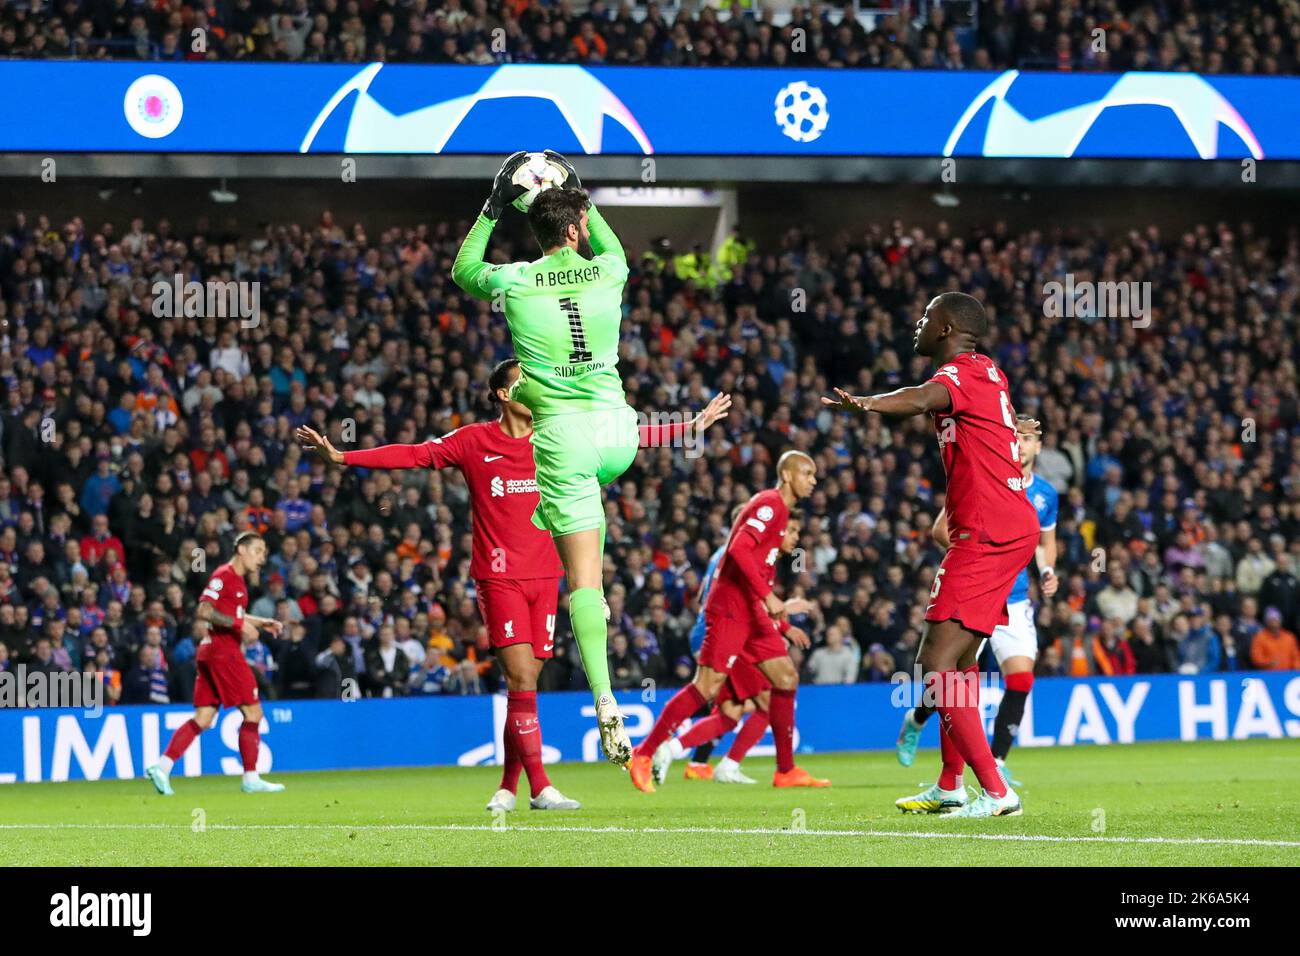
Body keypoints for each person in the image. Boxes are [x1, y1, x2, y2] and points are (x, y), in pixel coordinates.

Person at [297, 361, 730, 811]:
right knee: (521, 678)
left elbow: (629, 437)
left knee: (524, 687)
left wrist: (691, 426)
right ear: (504, 395)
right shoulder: (473, 441)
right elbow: (416, 454)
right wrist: (345, 457)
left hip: (548, 578)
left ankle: (507, 787)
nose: (536, 385)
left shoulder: (560, 436)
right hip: (498, 577)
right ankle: (541, 788)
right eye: (524, 380)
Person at [452, 152, 642, 767]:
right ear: (577, 226)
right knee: (574, 507)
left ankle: (606, 700)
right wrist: (580, 196)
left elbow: (463, 270)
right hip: (619, 432)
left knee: (586, 582)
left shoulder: (515, 281)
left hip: (562, 439)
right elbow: (608, 244)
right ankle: (548, 516)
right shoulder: (609, 270)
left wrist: (494, 203)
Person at [825, 291, 1038, 818]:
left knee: (933, 663)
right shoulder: (985, 372)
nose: (917, 324)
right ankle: (949, 784)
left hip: (988, 533)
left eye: (926, 318)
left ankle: (997, 792)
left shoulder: (961, 376)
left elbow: (921, 398)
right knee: (960, 664)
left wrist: (868, 403)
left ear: (946, 329)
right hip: (992, 528)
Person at [628, 451, 827, 792]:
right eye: (808, 474)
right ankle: (643, 754)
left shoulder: (780, 515)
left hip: (753, 613)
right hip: (732, 609)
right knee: (705, 687)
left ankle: (786, 770)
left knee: (786, 677)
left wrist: (777, 618)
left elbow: (756, 563)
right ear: (789, 475)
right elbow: (737, 550)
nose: (813, 481)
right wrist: (769, 597)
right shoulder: (770, 505)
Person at [897, 414, 1058, 786]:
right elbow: (941, 529)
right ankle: (920, 723)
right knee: (950, 675)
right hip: (981, 592)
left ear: (1038, 445)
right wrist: (983, 560)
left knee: (1020, 679)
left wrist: (1048, 571)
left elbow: (1045, 542)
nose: (1020, 443)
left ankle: (996, 763)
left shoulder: (1046, 495)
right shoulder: (989, 476)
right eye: (1014, 436)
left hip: (1015, 600)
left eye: (1027, 438)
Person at [651, 517, 813, 786]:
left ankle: (674, 751)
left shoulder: (727, 556)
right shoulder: (745, 557)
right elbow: (747, 602)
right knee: (767, 704)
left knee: (729, 714)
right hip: (731, 635)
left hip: (715, 632)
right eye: (790, 530)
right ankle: (735, 764)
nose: (793, 536)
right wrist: (783, 618)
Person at [145, 531, 286, 795]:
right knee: (254, 713)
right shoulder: (225, 575)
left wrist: (259, 622)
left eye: (264, 553)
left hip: (210, 652)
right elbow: (204, 610)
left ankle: (161, 767)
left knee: (204, 717)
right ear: (241, 550)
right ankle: (251, 778)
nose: (262, 558)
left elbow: (235, 614)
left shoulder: (237, 582)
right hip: (225, 653)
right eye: (258, 551)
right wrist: (240, 626)